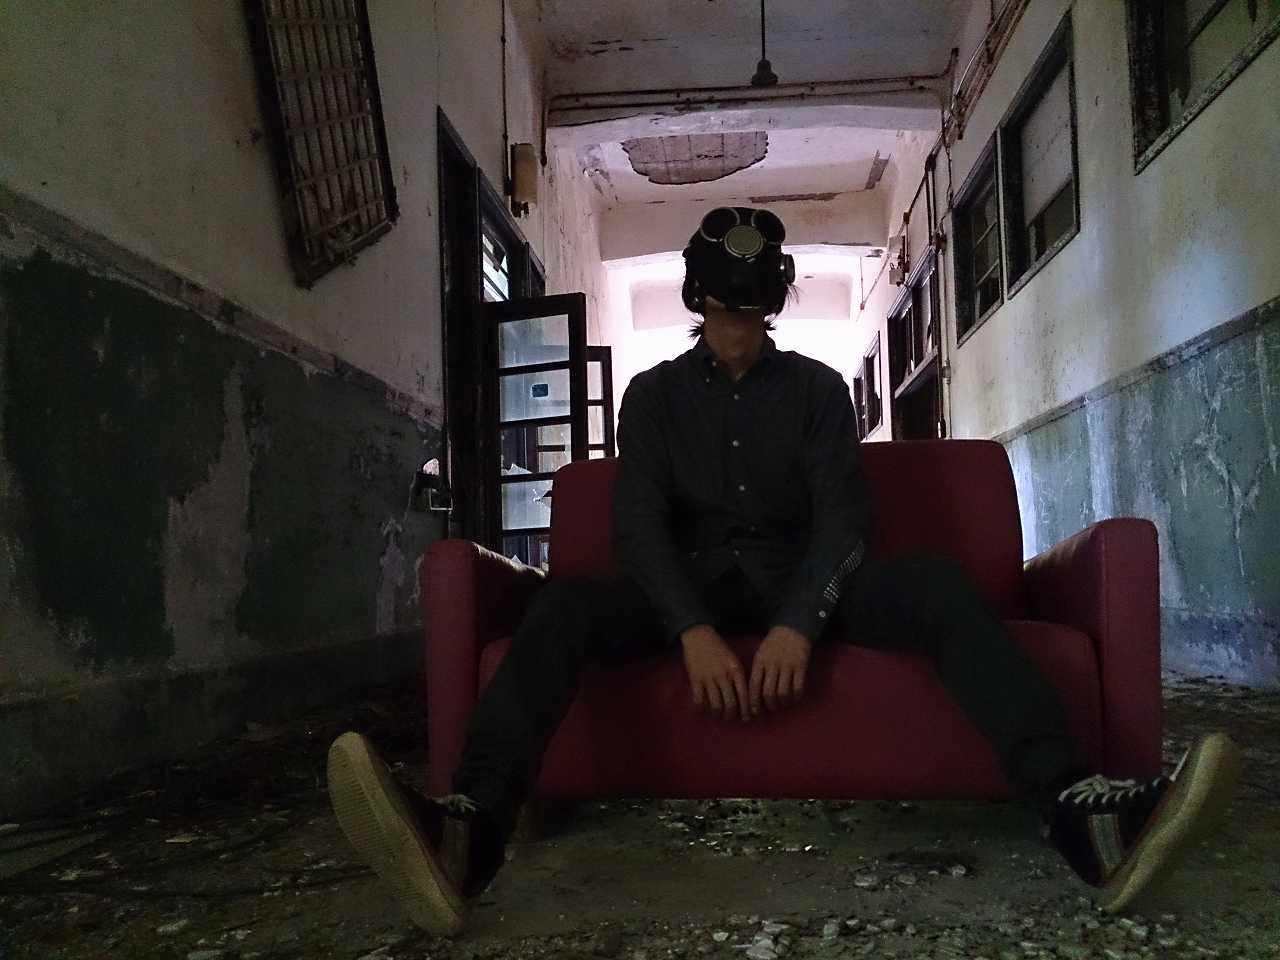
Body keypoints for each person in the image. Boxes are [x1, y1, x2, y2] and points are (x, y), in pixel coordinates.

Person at [325, 207, 1243, 936]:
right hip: (683, 588)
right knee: (562, 605)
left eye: (754, 311)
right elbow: (636, 529)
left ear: (773, 307)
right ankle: (470, 830)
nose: (739, 329)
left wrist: (800, 622)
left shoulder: (815, 390)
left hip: (798, 581)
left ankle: (1081, 814)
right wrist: (691, 631)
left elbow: (845, 518)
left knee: (934, 584)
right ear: (697, 300)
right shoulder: (653, 397)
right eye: (725, 311)